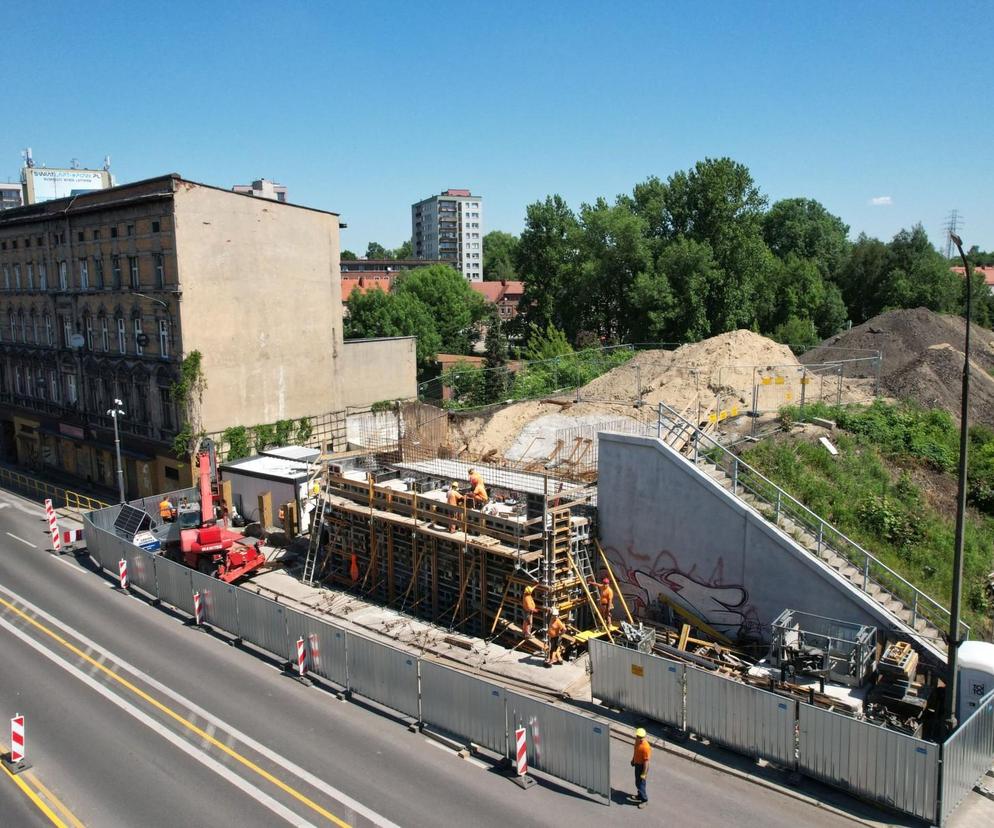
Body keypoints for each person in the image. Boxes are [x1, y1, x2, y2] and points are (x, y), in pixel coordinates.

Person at [631, 727, 651, 808]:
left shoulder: (646, 747)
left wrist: (644, 773)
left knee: (641, 784)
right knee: (637, 782)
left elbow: (646, 762)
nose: (640, 739)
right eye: (639, 737)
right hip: (637, 764)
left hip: (642, 767)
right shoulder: (637, 742)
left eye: (642, 737)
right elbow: (635, 751)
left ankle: (644, 800)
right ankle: (639, 795)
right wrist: (633, 760)